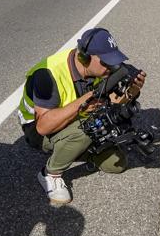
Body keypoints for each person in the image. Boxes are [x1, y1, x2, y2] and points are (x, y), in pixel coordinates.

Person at [17, 27, 146, 204]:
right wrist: (85, 101)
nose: (111, 67)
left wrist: (131, 92)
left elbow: (114, 102)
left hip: (76, 117)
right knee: (90, 127)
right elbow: (43, 126)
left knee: (116, 164)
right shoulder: (47, 74)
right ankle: (50, 174)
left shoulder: (100, 71)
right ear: (85, 57)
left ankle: (74, 148)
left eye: (112, 61)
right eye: (106, 62)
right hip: (39, 129)